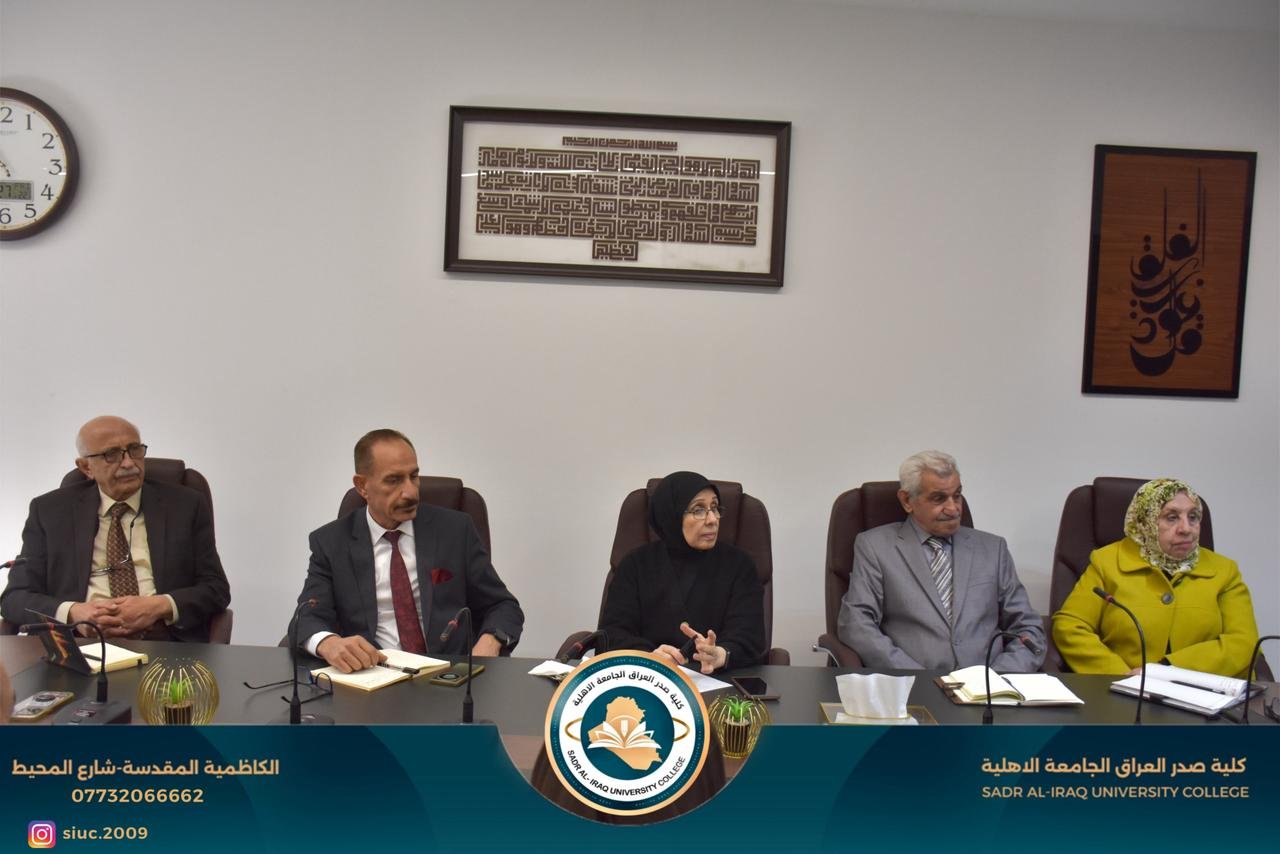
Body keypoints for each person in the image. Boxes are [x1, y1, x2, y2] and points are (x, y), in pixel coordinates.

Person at [295, 429, 524, 673]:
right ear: (362, 486)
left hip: (448, 676)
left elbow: (502, 606)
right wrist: (329, 643)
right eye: (393, 480)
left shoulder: (455, 531)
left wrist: (489, 642)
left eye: (414, 476)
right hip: (373, 677)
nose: (411, 492)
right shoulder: (331, 543)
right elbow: (307, 617)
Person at [0, 416, 230, 641]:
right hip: (80, 643)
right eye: (111, 454)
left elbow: (216, 589)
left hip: (164, 641)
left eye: (135, 450)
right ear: (86, 467)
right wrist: (73, 612)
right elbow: (15, 598)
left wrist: (160, 606)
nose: (129, 463)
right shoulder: (49, 511)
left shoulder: (185, 505)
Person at [837, 450, 1044, 672]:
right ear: (907, 500)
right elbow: (856, 624)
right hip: (915, 683)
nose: (953, 508)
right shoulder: (875, 547)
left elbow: (1028, 628)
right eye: (939, 498)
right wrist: (915, 676)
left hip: (988, 685)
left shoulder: (993, 549)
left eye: (957, 495)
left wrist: (997, 678)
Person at [1052, 478, 1258, 678]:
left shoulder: (1224, 570)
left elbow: (1244, 642)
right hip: (1123, 690)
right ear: (1145, 521)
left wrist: (1169, 670)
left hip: (1205, 692)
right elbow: (1070, 626)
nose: (1186, 529)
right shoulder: (1107, 563)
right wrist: (1122, 677)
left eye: (1193, 517)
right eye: (1172, 517)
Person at [598, 471, 765, 674]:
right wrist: (649, 656)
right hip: (646, 678)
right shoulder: (635, 565)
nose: (712, 519)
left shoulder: (739, 565)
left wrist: (721, 654)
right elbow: (612, 633)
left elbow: (750, 636)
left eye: (714, 508)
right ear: (672, 515)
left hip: (719, 680)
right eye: (698, 510)